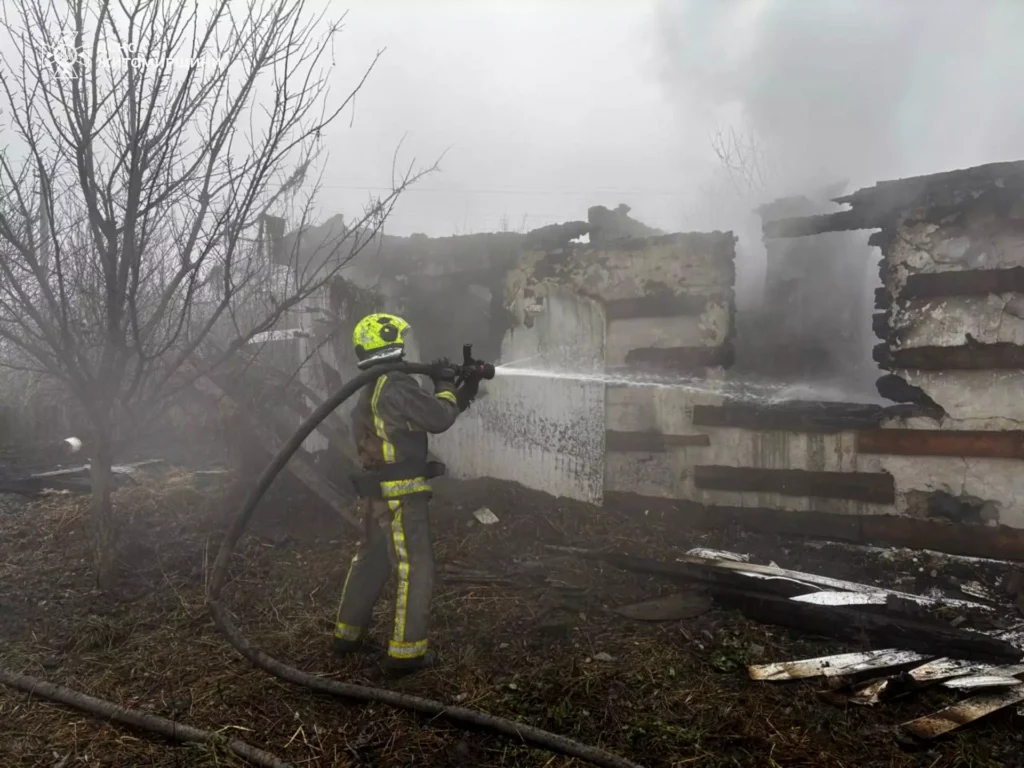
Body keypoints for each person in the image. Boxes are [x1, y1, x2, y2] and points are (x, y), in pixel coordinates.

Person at [332, 312, 480, 676]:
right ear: (394, 344)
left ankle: (346, 636)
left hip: (375, 492)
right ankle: (406, 654)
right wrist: (446, 385)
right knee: (415, 567)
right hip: (402, 495)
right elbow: (438, 417)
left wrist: (462, 391)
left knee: (372, 560)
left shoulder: (370, 387)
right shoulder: (396, 385)